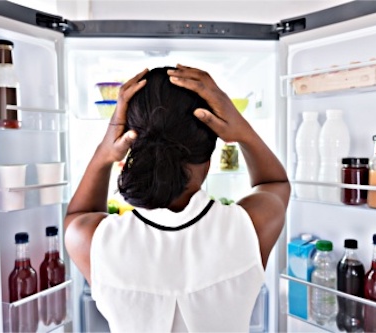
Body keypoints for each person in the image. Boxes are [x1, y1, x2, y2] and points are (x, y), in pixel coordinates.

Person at [64, 65, 290, 332]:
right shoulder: (252, 225)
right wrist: (242, 130)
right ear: (209, 154)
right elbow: (275, 183)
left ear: (128, 145)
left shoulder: (90, 239)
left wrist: (103, 153)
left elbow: (77, 217)